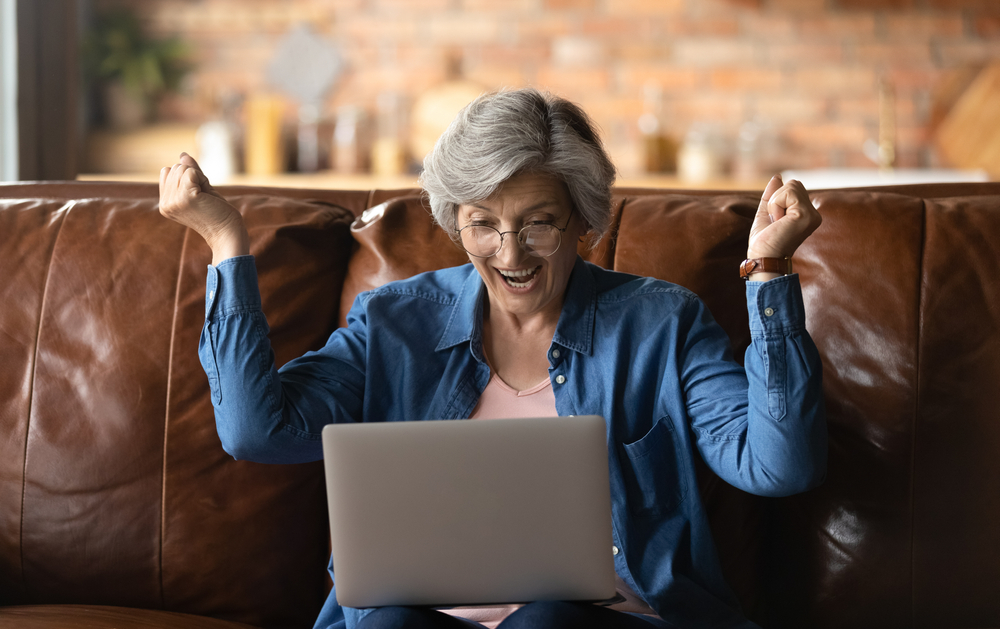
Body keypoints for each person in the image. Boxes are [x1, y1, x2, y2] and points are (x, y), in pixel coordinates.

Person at [158, 88, 825, 629]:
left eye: (539, 222)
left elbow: (777, 464)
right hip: (417, 620)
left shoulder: (661, 322)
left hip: (591, 621)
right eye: (483, 223)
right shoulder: (394, 322)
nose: (511, 254)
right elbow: (255, 430)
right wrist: (226, 241)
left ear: (584, 223)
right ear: (454, 221)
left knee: (546, 619)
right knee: (385, 621)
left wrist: (768, 271)